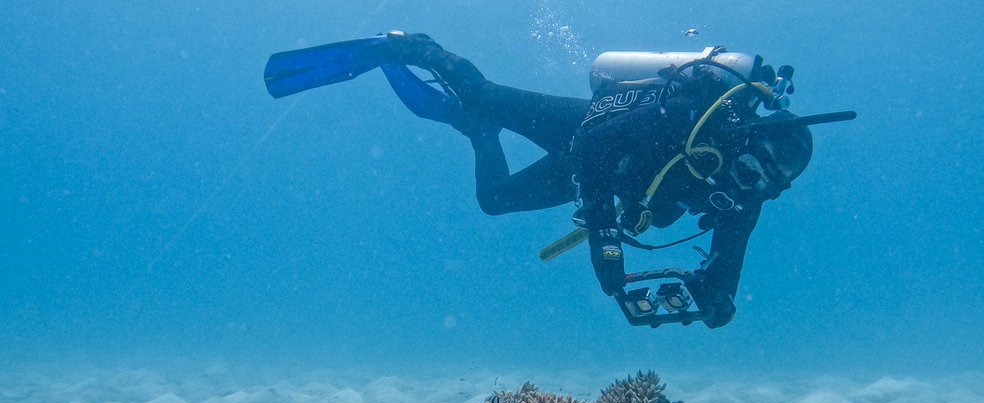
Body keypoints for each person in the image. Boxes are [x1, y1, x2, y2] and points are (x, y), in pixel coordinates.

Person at [264, 32, 853, 328]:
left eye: (766, 180)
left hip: (596, 180)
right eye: (754, 161)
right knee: (482, 94)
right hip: (587, 132)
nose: (749, 178)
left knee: (493, 201)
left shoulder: (743, 197)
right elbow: (599, 141)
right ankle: (416, 46)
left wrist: (717, 300)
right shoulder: (689, 119)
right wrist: (603, 235)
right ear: (746, 139)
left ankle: (476, 133)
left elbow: (729, 257)